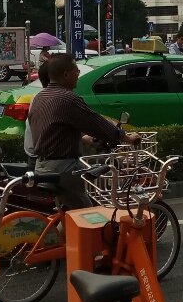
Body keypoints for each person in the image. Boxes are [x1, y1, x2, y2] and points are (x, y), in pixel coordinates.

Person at [26, 53, 139, 208]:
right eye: (76, 71)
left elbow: (55, 130)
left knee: (69, 211)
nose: (78, 74)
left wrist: (81, 138)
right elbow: (96, 123)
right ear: (66, 74)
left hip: (42, 165)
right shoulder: (67, 98)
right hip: (63, 168)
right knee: (86, 215)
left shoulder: (40, 97)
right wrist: (127, 138)